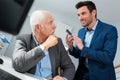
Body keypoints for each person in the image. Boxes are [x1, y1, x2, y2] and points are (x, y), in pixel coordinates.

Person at [12, 10, 75, 80]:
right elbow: (18, 65)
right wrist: (44, 46)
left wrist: (63, 79)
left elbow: (69, 67)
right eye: (50, 23)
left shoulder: (58, 42)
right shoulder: (23, 39)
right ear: (38, 27)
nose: (55, 26)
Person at [66, 1, 118, 80]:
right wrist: (71, 47)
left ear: (93, 12)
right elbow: (78, 54)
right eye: (78, 15)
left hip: (101, 76)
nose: (80, 18)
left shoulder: (110, 30)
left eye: (83, 13)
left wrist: (83, 48)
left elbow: (108, 57)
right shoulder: (81, 31)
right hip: (82, 75)